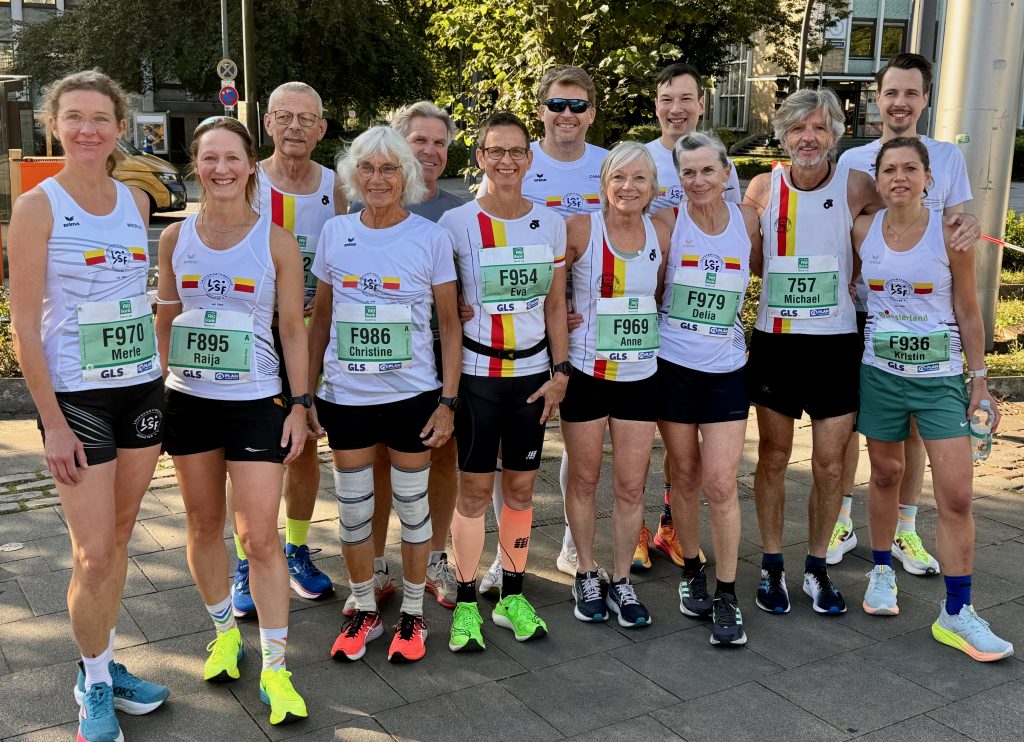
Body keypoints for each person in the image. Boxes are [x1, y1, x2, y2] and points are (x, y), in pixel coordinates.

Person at [9, 70, 169, 742]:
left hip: (141, 388)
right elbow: (23, 325)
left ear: (119, 127)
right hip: (77, 397)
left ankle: (103, 660)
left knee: (122, 535)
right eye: (73, 117)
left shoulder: (134, 201)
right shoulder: (37, 207)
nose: (87, 129)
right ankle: (93, 683)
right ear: (53, 125)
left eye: (100, 118)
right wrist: (50, 424)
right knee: (93, 553)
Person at [155, 116, 309, 726]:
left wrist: (301, 405)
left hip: (255, 402)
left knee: (260, 537)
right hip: (189, 400)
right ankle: (224, 634)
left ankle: (275, 665)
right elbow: (166, 319)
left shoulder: (276, 241)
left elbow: (292, 328)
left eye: (232, 158)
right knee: (202, 525)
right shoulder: (175, 238)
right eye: (209, 158)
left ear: (250, 165)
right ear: (197, 165)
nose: (221, 169)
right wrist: (159, 394)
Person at [855, 137, 1013, 661]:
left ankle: (957, 612)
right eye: (889, 169)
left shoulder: (951, 235)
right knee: (884, 474)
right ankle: (881, 571)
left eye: (910, 169)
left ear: (928, 178)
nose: (899, 177)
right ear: (878, 179)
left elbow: (968, 310)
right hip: (880, 375)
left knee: (957, 494)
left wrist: (979, 382)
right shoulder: (863, 230)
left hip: (940, 380)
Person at [309, 126, 460, 664]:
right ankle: (366, 607)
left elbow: (450, 325)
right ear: (354, 175)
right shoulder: (335, 233)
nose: (377, 179)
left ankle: (413, 614)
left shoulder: (430, 237)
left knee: (413, 510)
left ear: (407, 175)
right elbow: (320, 320)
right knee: (353, 513)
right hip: (346, 397)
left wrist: (448, 402)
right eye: (368, 169)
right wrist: (306, 396)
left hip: (412, 397)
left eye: (389, 169)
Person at [831, 53, 978, 576]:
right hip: (867, 313)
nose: (900, 102)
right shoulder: (852, 160)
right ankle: (843, 519)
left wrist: (971, 222)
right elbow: (842, 232)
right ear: (878, 97)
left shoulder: (947, 156)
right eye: (891, 92)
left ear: (925, 99)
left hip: (927, 318)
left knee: (914, 431)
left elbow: (959, 225)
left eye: (911, 93)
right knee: (856, 424)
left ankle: (906, 530)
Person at [742, 89, 882, 616]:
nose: (808, 138)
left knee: (828, 464)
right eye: (798, 128)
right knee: (774, 456)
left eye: (820, 128)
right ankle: (772, 564)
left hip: (835, 344)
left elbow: (892, 234)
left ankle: (817, 566)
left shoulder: (856, 185)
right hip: (777, 342)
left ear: (835, 136)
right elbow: (753, 260)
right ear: (783, 135)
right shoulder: (763, 187)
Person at [441, 111, 569, 651]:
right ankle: (466, 603)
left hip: (533, 377)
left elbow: (556, 305)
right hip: (478, 377)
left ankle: (512, 595)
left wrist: (561, 372)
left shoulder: (552, 222)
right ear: (480, 158)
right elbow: (441, 300)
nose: (507, 160)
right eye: (495, 150)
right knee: (473, 494)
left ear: (529, 158)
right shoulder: (456, 223)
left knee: (520, 489)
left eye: (516, 151)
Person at [478, 65, 610, 590]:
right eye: (557, 104)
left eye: (577, 106)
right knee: (507, 451)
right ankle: (502, 555)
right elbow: (486, 242)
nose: (567, 115)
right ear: (541, 111)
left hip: (595, 325)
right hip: (529, 325)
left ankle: (575, 547)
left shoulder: (607, 166)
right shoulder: (514, 159)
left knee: (583, 445)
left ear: (591, 113)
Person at [229, 81, 347, 620]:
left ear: (321, 128)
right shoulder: (246, 179)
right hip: (255, 336)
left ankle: (296, 549)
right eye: (284, 116)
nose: (295, 126)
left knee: (304, 446)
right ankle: (246, 560)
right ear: (267, 123)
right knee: (247, 454)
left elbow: (347, 255)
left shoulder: (337, 186)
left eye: (306, 118)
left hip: (313, 336)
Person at [349, 101, 467, 617]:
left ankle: (436, 558)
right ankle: (375, 564)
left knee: (442, 456)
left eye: (440, 142)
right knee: (376, 459)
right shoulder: (364, 200)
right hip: (375, 360)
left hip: (440, 353)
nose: (431, 151)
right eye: (420, 140)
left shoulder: (458, 211)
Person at [634, 62, 743, 574]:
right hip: (665, 350)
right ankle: (645, 531)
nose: (675, 108)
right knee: (660, 457)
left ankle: (676, 531)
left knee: (711, 477)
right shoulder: (651, 185)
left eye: (685, 99)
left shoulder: (744, 211)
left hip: (725, 362)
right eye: (666, 98)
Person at [653, 131, 761, 645]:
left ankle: (727, 592)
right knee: (686, 476)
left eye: (707, 171)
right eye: (688, 172)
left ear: (726, 173)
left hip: (727, 370)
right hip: (673, 366)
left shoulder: (748, 220)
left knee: (721, 482)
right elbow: (645, 286)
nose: (698, 181)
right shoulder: (667, 223)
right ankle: (693, 568)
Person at [561, 141, 670, 626]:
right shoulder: (581, 228)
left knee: (630, 485)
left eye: (639, 178)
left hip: (640, 377)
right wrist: (564, 318)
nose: (628, 187)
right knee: (584, 480)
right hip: (587, 374)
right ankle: (587, 572)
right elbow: (550, 292)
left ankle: (622, 580)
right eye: (619, 177)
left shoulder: (661, 230)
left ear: (653, 188)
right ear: (604, 183)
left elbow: (660, 292)